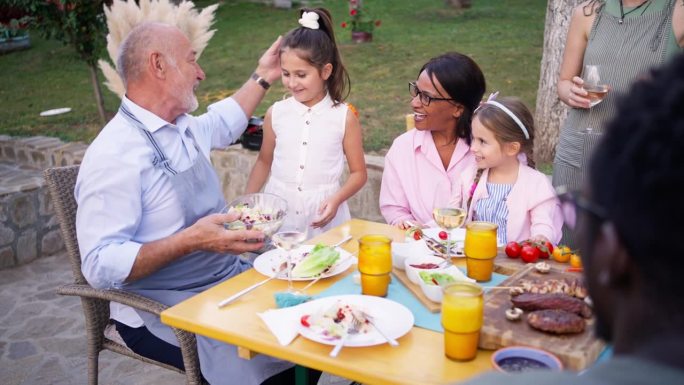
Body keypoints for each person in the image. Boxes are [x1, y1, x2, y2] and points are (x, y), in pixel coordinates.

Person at [75, 22, 319, 385]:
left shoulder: (180, 126)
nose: (201, 72)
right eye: (192, 61)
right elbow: (97, 264)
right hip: (159, 308)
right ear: (159, 65)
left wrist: (265, 74)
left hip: (223, 280)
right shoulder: (113, 156)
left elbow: (224, 122)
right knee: (262, 363)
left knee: (310, 327)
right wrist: (191, 240)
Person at [458, 53, 684, 385]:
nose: (474, 148)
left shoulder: (495, 381)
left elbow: (545, 229)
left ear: (613, 250)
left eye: (581, 211)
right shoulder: (474, 176)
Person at [552, 0, 683, 241]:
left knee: (630, 247)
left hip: (640, 155)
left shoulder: (676, 12)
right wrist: (570, 91)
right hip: (580, 150)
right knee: (568, 246)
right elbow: (564, 81)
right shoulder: (588, 12)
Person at [245, 8, 367, 238]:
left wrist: (336, 199)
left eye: (301, 75)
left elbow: (359, 173)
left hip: (323, 218)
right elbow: (264, 161)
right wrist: (246, 203)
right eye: (285, 73)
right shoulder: (276, 113)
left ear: (325, 71)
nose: (292, 83)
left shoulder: (344, 117)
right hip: (280, 216)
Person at [379, 52, 486, 229]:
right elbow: (394, 209)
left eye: (426, 97)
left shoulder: (490, 151)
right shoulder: (402, 148)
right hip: (418, 249)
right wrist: (405, 224)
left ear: (458, 109)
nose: (414, 103)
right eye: (416, 92)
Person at [449, 96, 562, 245]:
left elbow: (544, 224)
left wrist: (541, 237)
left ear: (511, 148)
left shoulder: (536, 184)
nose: (473, 148)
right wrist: (423, 227)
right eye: (473, 138)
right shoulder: (469, 176)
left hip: (516, 265)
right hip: (474, 259)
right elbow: (450, 215)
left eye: (482, 141)